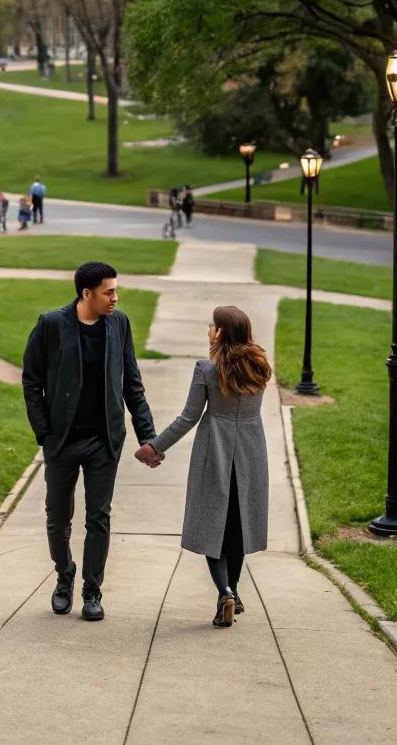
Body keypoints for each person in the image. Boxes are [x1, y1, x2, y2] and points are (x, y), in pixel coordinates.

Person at [22, 261, 157, 624]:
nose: (115, 297)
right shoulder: (51, 324)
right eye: (108, 291)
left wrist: (148, 436)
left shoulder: (119, 324)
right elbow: (31, 381)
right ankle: (64, 574)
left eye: (115, 290)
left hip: (104, 441)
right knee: (57, 517)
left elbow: (132, 383)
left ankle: (91, 590)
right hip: (62, 441)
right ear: (86, 294)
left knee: (98, 518)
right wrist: (44, 433)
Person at [135, 304, 271, 628]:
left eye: (211, 326)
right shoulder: (260, 367)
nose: (208, 330)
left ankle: (224, 591)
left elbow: (188, 417)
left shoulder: (207, 369)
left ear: (220, 332)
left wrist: (153, 446)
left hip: (216, 451)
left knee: (212, 526)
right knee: (238, 527)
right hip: (252, 453)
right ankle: (234, 593)